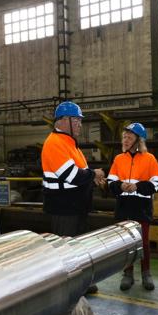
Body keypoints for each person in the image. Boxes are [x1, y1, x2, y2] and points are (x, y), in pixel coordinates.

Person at [107, 122, 158, 291]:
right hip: (124, 206)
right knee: (126, 244)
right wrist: (121, 186)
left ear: (139, 140)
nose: (126, 140)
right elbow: (110, 182)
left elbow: (155, 184)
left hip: (142, 207)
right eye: (124, 137)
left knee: (143, 242)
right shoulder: (118, 159)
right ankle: (128, 274)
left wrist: (138, 186)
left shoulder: (150, 159)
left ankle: (146, 273)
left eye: (129, 137)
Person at [41, 101, 106, 237]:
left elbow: (81, 173)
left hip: (75, 208)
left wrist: (92, 178)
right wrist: (94, 173)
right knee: (67, 251)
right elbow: (72, 176)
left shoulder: (69, 143)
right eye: (76, 120)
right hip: (65, 210)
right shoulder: (55, 143)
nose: (80, 125)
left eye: (80, 121)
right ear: (64, 120)